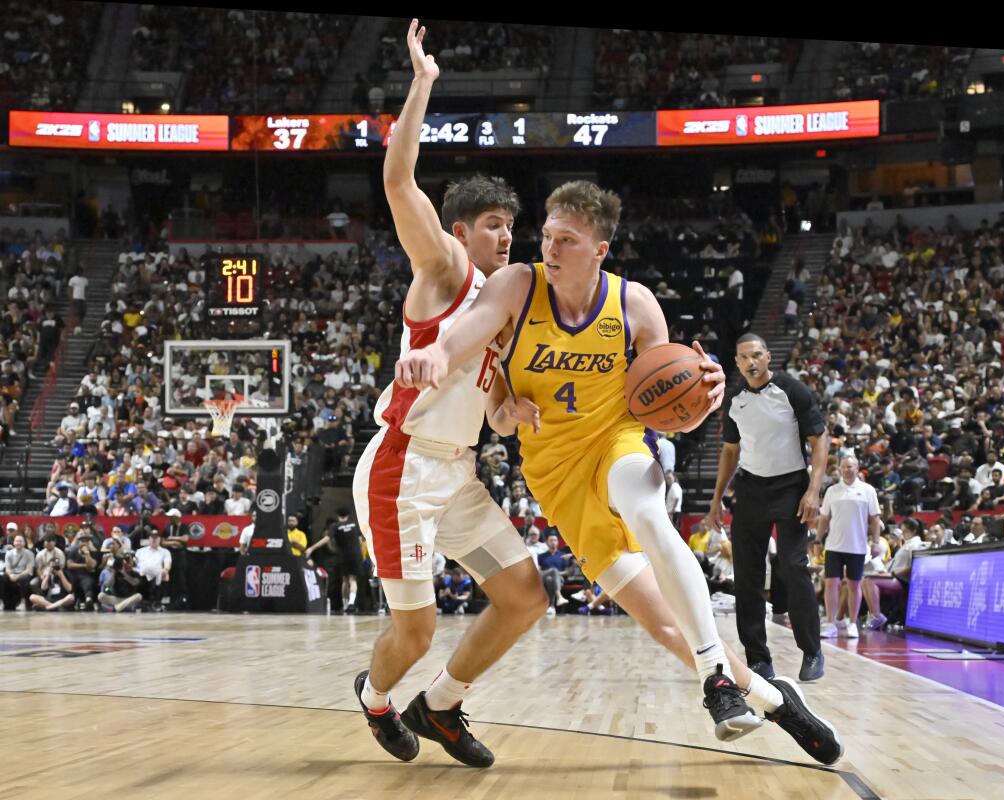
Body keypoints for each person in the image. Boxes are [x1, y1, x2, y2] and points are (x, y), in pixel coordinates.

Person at [395, 177, 841, 765]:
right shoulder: (515, 286)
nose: (550, 249)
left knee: (648, 513)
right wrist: (435, 354)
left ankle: (716, 680)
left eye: (567, 240)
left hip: (617, 439)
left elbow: (675, 405)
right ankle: (776, 702)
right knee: (662, 623)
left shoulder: (633, 304)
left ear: (600, 249)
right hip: (556, 475)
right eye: (548, 236)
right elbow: (463, 338)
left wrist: (703, 398)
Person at [351, 19, 548, 772]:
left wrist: (512, 412)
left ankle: (440, 704)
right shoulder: (445, 272)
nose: (506, 239)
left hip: (458, 470)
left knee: (527, 595)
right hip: (402, 469)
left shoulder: (506, 314)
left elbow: (492, 409)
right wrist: (423, 83)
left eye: (512, 227)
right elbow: (399, 181)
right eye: (494, 227)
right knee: (417, 631)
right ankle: (374, 698)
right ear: (462, 231)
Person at [705, 333, 829, 685]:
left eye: (757, 355)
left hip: (791, 488)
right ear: (737, 363)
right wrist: (716, 499)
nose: (751, 362)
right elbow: (730, 451)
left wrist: (813, 489)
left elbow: (820, 439)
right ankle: (758, 659)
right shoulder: (734, 400)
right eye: (744, 357)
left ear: (768, 356)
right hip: (750, 489)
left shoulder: (792, 391)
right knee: (747, 576)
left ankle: (812, 651)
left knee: (793, 566)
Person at [816, 454, 887, 637]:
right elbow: (824, 518)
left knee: (855, 586)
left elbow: (874, 518)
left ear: (857, 469)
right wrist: (817, 539)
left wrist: (876, 542)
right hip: (833, 546)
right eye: (844, 467)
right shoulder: (832, 491)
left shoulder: (868, 490)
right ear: (840, 469)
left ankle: (853, 623)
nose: (847, 470)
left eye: (850, 466)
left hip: (857, 546)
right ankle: (831, 623)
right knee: (832, 583)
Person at [1, 533, 36, 610]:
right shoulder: (9, 553)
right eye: (17, 541)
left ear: (24, 543)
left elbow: (29, 570)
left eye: (20, 541)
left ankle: (22, 602)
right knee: (2, 578)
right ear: (14, 542)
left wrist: (17, 576)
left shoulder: (29, 553)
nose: (18, 543)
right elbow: (7, 568)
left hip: (24, 573)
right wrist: (10, 575)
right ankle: (2, 602)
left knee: (24, 579)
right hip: (12, 574)